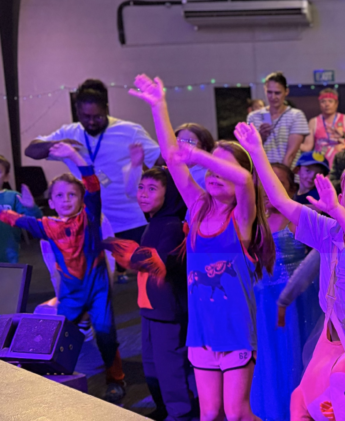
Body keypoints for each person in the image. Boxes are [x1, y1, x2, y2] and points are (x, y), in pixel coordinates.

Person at [233, 122, 345, 420]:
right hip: (336, 331)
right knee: (308, 400)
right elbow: (281, 201)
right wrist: (257, 151)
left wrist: (337, 211)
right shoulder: (328, 231)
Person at [131, 74, 275, 421]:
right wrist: (159, 106)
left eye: (222, 167)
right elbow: (172, 158)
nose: (214, 174)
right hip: (202, 332)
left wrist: (200, 155)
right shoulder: (197, 208)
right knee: (209, 413)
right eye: (212, 166)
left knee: (236, 412)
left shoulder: (241, 218)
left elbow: (244, 178)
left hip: (236, 332)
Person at [1, 143, 127, 403]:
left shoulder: (89, 219)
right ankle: (60, 378)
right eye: (60, 195)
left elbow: (93, 186)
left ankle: (116, 380)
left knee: (106, 335)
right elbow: (16, 219)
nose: (66, 199)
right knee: (58, 337)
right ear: (51, 202)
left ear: (81, 199)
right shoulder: (48, 225)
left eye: (72, 195)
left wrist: (73, 155)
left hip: (98, 291)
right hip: (70, 294)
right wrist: (17, 210)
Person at [26, 78, 161, 248]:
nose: (91, 122)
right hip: (90, 224)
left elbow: (161, 159)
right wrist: (59, 144)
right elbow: (31, 151)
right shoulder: (69, 132)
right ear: (77, 112)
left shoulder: (129, 131)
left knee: (141, 263)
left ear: (106, 109)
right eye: (86, 117)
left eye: (97, 117)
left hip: (130, 221)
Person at [113, 166, 198, 421]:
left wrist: (126, 252)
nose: (143, 194)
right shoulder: (155, 223)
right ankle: (164, 409)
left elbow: (160, 262)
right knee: (152, 365)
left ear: (169, 194)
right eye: (141, 187)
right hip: (151, 308)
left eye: (152, 189)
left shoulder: (171, 225)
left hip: (167, 310)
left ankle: (180, 414)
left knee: (169, 366)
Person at [251, 163, 320, 421]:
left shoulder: (297, 218)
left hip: (295, 302)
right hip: (261, 300)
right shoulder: (252, 220)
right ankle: (272, 411)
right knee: (268, 356)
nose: (268, 190)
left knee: (294, 354)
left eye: (277, 184)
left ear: (290, 189)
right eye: (263, 184)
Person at [246, 72, 309, 166]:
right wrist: (261, 137)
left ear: (286, 91)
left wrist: (281, 174)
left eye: (277, 93)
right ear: (264, 90)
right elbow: (250, 149)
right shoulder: (253, 116)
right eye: (269, 92)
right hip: (262, 172)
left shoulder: (296, 115)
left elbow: (291, 154)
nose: (273, 97)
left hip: (288, 172)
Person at [300, 88, 345, 168]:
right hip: (321, 165)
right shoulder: (314, 122)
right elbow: (307, 147)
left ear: (336, 103)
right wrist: (290, 142)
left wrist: (343, 136)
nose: (327, 104)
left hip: (342, 164)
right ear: (319, 103)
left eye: (330, 101)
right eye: (323, 101)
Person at [0, 180, 41, 263]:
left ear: (6, 176)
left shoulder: (14, 196)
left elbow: (36, 224)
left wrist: (31, 208)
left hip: (8, 259)